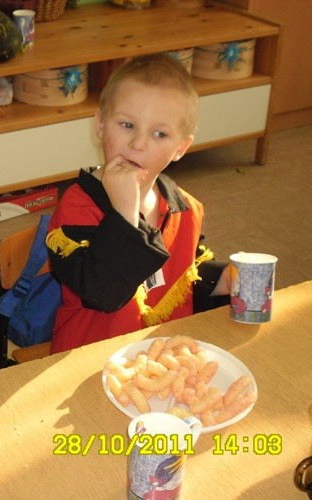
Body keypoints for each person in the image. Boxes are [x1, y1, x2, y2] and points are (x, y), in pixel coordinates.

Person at [46, 54, 231, 354]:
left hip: (159, 356)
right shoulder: (76, 207)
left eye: (160, 133)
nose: (138, 144)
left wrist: (224, 279)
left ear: (180, 147)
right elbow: (102, 293)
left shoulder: (184, 208)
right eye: (127, 124)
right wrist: (124, 213)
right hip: (87, 358)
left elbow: (184, 273)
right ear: (100, 124)